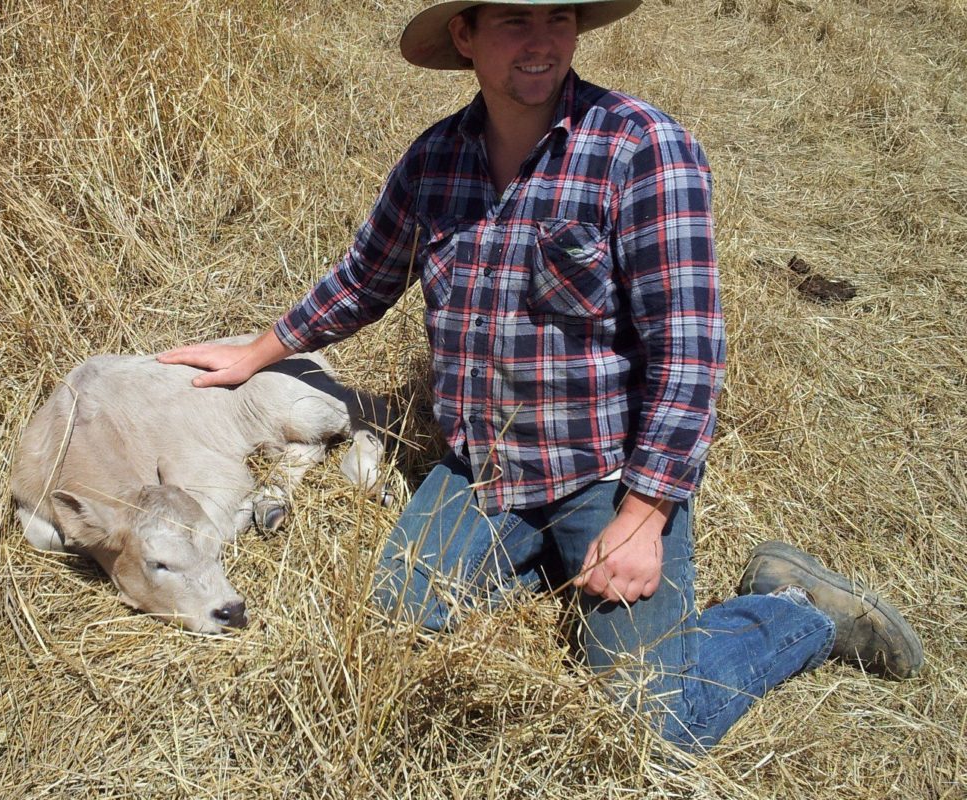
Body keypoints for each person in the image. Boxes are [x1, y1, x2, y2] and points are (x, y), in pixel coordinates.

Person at [159, 0, 923, 754]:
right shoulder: (433, 162)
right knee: (395, 632)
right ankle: (558, 577)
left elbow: (688, 352)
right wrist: (258, 352)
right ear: (465, 34)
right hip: (482, 472)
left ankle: (798, 607)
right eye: (515, 20)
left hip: (609, 472)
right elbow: (364, 280)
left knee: (649, 721)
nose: (542, 41)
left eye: (559, 17)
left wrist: (644, 517)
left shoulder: (641, 148)